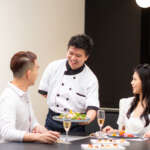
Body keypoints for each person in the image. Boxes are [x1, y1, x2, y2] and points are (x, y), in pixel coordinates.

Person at [38, 34, 100, 133]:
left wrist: (86, 120)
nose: (73, 58)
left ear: (86, 57)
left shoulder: (90, 79)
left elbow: (92, 108)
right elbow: (44, 92)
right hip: (52, 121)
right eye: (71, 53)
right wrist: (57, 105)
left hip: (75, 126)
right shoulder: (53, 67)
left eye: (78, 55)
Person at [0, 51, 60, 143]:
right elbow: (6, 132)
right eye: (37, 69)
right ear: (28, 74)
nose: (38, 73)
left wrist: (45, 132)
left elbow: (32, 123)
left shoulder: (24, 93)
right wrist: (37, 137)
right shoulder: (8, 97)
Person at [103, 64, 150, 137]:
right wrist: (113, 131)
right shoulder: (126, 103)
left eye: (135, 79)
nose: (131, 82)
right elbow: (123, 132)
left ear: (145, 82)